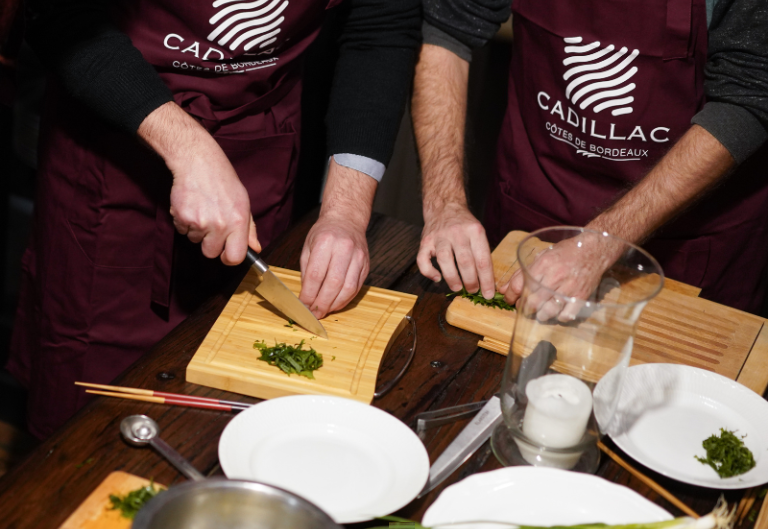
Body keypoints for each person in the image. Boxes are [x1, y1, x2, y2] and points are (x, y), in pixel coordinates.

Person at [7, 0, 420, 438]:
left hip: (259, 142)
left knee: (239, 418)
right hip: (109, 146)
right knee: (87, 432)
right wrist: (189, 148)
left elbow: (382, 26)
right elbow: (52, 10)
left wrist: (346, 212)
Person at [412, 0, 768, 315]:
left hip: (688, 243)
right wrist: (444, 203)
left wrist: (600, 242)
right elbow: (448, 32)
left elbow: (747, 97)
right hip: (531, 203)